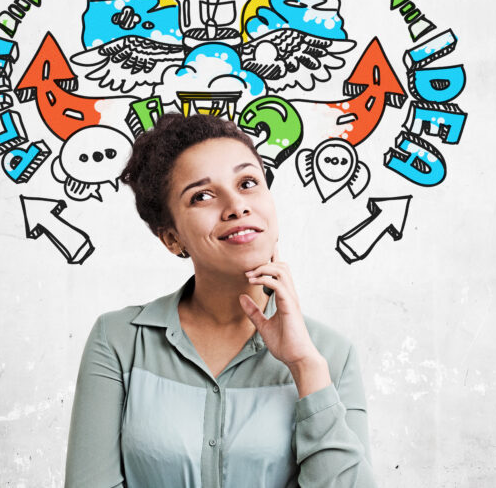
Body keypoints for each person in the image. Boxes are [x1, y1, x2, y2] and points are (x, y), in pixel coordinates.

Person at [65, 113, 377, 488]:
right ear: (171, 238)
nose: (236, 206)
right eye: (202, 196)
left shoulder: (329, 355)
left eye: (248, 183)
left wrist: (305, 367)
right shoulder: (117, 341)